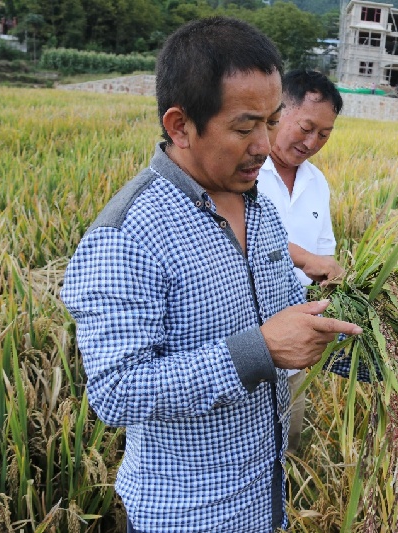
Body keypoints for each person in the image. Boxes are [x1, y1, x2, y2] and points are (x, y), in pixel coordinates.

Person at [60, 17, 362, 533]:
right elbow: (116, 390)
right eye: (246, 127)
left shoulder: (260, 208)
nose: (265, 145)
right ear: (180, 126)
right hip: (186, 516)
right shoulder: (128, 235)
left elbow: (290, 311)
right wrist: (260, 350)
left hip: (264, 502)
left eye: (271, 122)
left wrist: (386, 337)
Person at [258, 69, 345, 454]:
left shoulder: (317, 183)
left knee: (288, 450)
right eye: (306, 127)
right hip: (246, 342)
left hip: (297, 354)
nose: (312, 142)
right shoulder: (243, 174)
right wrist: (306, 258)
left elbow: (324, 258)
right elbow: (238, 235)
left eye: (324, 134)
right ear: (280, 112)